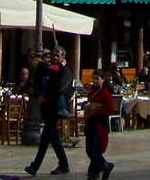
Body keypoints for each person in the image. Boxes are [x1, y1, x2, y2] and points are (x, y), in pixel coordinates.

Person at [25, 46, 73, 177]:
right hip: (48, 108)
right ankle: (64, 165)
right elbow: (40, 82)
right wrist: (39, 94)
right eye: (53, 55)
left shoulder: (65, 71)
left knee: (45, 137)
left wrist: (45, 96)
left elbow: (60, 87)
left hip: (56, 109)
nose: (55, 57)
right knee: (54, 138)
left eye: (58, 55)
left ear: (63, 57)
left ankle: (35, 166)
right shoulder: (52, 70)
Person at [83, 69, 115, 180]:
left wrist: (96, 109)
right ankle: (106, 166)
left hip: (100, 124)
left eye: (97, 79)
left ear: (103, 79)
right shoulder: (92, 91)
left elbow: (110, 109)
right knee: (89, 150)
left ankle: (94, 174)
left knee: (96, 150)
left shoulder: (106, 92)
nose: (95, 81)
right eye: (94, 79)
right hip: (91, 123)